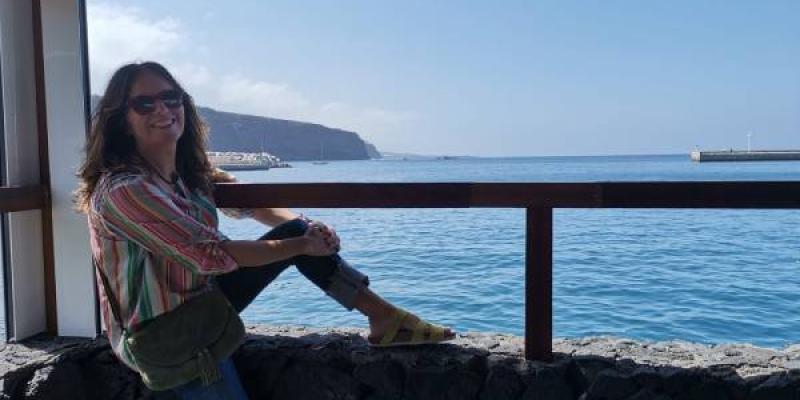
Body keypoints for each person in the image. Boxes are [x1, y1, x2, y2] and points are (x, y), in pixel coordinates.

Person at [75, 61, 454, 399]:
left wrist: (308, 230)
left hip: (200, 300)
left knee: (296, 232)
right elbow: (213, 254)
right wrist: (302, 244)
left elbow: (254, 205)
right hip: (161, 333)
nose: (162, 109)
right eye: (144, 103)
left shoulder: (187, 173)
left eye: (170, 97)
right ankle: (385, 317)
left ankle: (384, 317)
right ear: (121, 118)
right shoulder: (126, 190)